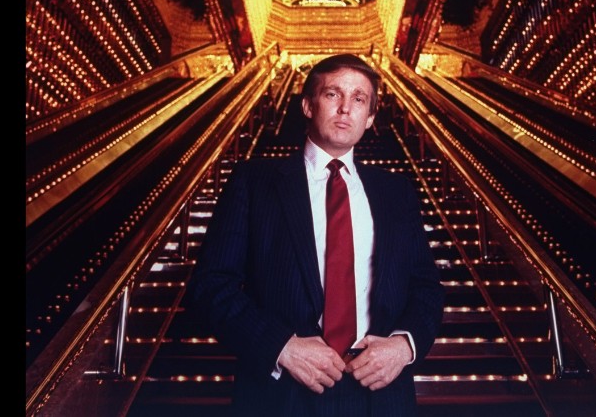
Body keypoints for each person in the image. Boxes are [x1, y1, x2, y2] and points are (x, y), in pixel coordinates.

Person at [187, 53, 445, 417]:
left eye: (359, 99)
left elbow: (426, 288)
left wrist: (404, 346)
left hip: (379, 390)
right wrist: (281, 347)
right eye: (332, 95)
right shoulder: (253, 181)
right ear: (307, 105)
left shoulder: (396, 192)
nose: (345, 109)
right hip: (282, 392)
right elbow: (209, 287)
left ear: (370, 117)